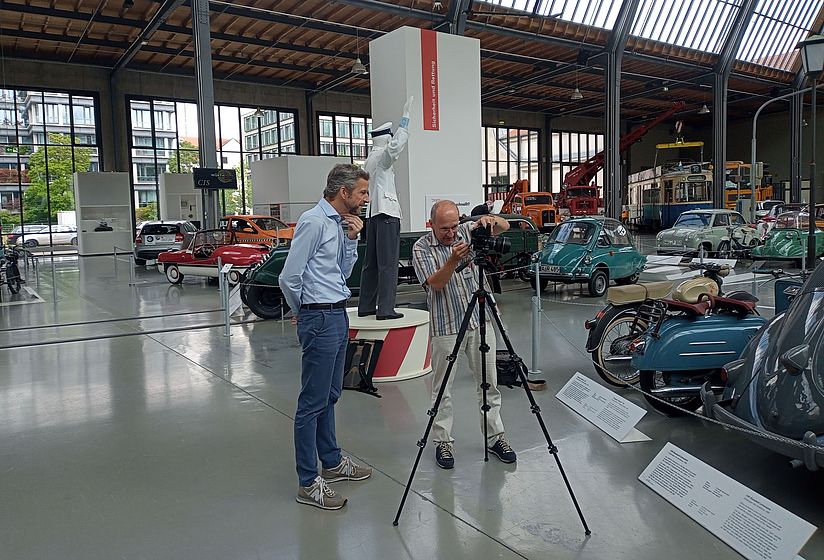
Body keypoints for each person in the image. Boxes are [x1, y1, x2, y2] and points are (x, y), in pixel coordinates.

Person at [280, 164, 373, 510]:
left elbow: (342, 273)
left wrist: (352, 240)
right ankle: (308, 481)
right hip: (319, 315)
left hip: (337, 313)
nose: (366, 198)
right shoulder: (314, 222)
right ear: (343, 192)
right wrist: (301, 311)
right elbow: (290, 276)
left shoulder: (340, 225)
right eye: (362, 192)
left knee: (331, 394)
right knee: (311, 403)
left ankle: (332, 463)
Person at [411, 200, 517, 470]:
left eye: (454, 225)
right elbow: (435, 284)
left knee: (489, 383)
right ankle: (443, 441)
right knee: (442, 387)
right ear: (431, 224)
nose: (451, 233)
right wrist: (453, 260)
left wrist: (489, 220)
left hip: (480, 321)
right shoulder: (421, 248)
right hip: (446, 325)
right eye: (444, 228)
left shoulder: (468, 231)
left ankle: (495, 436)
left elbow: (504, 226)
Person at [358, 96, 414, 321]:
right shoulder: (382, 156)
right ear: (386, 138)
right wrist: (405, 120)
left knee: (370, 263)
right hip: (387, 214)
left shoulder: (369, 159)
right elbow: (395, 147)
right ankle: (386, 309)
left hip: (372, 216)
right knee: (388, 264)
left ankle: (367, 306)